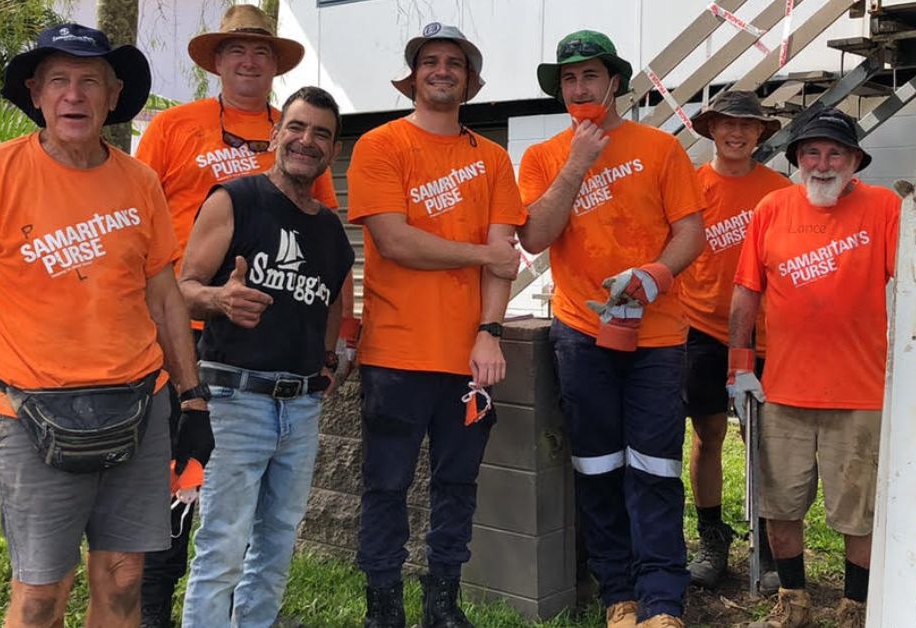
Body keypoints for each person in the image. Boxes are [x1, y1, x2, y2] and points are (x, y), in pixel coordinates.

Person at [0, 24, 213, 627]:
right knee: (40, 597)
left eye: (90, 81)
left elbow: (165, 297)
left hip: (140, 408)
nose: (74, 95)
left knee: (123, 580)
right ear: (35, 93)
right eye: (59, 80)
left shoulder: (140, 182)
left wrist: (192, 401)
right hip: (31, 414)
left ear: (114, 95)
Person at [133, 7, 353, 625]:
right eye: (237, 51)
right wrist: (206, 298)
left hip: (283, 374)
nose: (250, 61)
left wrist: (331, 354)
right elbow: (141, 223)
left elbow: (327, 270)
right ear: (219, 60)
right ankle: (155, 613)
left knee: (267, 537)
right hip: (191, 353)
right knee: (185, 509)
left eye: (261, 52)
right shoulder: (177, 129)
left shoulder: (306, 175)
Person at [729, 108, 916, 628]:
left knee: (860, 512)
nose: (823, 164)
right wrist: (738, 365)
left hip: (860, 392)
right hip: (781, 392)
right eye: (812, 152)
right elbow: (746, 291)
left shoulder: (883, 207)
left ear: (855, 161)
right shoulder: (772, 208)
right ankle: (794, 602)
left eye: (835, 153)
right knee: (779, 506)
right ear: (796, 161)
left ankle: (856, 608)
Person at [517, 30, 706, 628]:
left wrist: (656, 273)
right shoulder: (544, 157)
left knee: (656, 464)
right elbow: (535, 236)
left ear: (615, 82)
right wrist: (578, 160)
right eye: (569, 80)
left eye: (590, 76)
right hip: (581, 331)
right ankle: (616, 593)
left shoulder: (660, 148)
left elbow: (691, 231)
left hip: (658, 333)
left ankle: (662, 599)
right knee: (596, 464)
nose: (580, 88)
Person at [346, 22, 526, 628]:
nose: (441, 69)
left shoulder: (494, 158)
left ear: (469, 81)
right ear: (413, 77)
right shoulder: (380, 144)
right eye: (430, 61)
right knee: (386, 487)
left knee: (457, 485)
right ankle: (383, 607)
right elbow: (395, 242)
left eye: (453, 62)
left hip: (468, 360)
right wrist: (479, 256)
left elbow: (506, 251)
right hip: (395, 353)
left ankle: (442, 605)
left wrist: (490, 331)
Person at [176, 85, 354, 627]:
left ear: (333, 150)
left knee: (278, 541)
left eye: (321, 133)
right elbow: (177, 287)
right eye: (296, 127)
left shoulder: (330, 228)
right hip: (234, 397)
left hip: (300, 406)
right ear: (275, 135)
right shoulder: (234, 199)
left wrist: (329, 358)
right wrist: (218, 299)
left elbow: (330, 299)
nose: (307, 140)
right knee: (223, 546)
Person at [681, 91, 790, 591]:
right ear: (711, 129)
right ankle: (712, 537)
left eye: (748, 126)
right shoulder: (689, 184)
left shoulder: (779, 191)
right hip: (701, 327)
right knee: (707, 436)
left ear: (760, 134)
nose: (737, 134)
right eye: (728, 124)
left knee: (762, 441)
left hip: (767, 335)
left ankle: (768, 546)